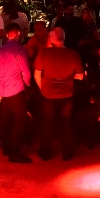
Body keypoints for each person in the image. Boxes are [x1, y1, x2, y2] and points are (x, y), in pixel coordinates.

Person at [34, 27, 84, 161]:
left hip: (48, 95)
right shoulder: (73, 54)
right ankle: (67, 153)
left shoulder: (44, 53)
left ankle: (45, 152)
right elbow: (80, 77)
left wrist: (42, 88)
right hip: (67, 95)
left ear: (51, 39)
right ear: (63, 38)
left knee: (47, 124)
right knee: (66, 123)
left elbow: (37, 74)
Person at [0, 24, 32, 163]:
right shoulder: (20, 50)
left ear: (7, 35)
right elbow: (26, 72)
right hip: (16, 91)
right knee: (19, 121)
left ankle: (6, 148)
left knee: (4, 121)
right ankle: (14, 153)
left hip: (2, 92)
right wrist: (28, 84)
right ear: (18, 33)